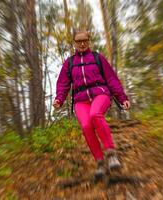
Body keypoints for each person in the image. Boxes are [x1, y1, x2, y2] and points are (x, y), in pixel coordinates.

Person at [53, 30, 130, 179]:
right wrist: (59, 99)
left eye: (85, 40)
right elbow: (63, 83)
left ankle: (111, 154)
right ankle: (100, 162)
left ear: (89, 41)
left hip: (100, 94)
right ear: (74, 43)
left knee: (95, 115)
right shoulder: (69, 63)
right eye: (78, 41)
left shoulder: (97, 57)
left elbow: (112, 79)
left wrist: (122, 98)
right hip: (81, 100)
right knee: (86, 126)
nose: (82, 44)